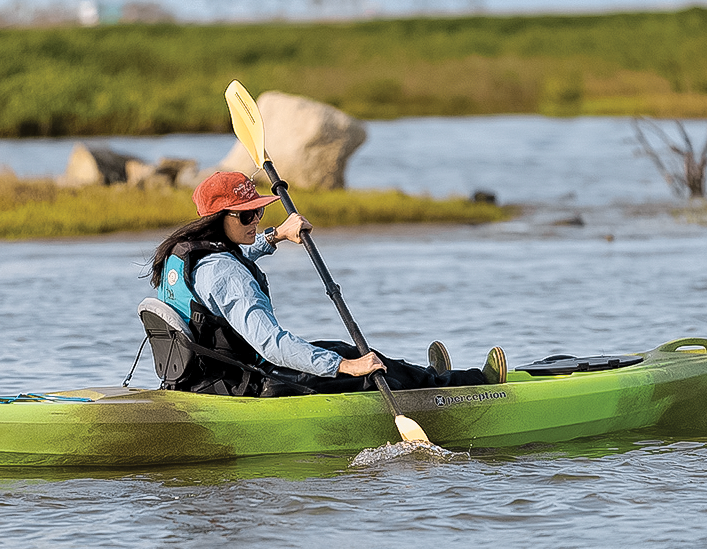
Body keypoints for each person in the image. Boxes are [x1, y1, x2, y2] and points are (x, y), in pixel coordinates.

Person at [148, 170, 505, 397]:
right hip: (250, 384)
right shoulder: (227, 274)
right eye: (246, 215)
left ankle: (431, 378)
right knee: (363, 362)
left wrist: (275, 236)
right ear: (218, 218)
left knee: (340, 347)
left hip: (204, 381)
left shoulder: (185, 256)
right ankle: (467, 388)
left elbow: (222, 277)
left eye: (259, 211)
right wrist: (344, 368)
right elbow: (272, 345)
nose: (256, 218)